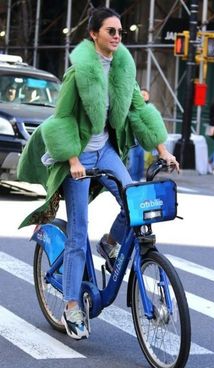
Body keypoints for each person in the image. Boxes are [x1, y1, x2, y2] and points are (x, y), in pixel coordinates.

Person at [17, 7, 179, 340]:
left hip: (104, 150)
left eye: (120, 31)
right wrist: (73, 160)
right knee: (78, 234)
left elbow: (138, 110)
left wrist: (162, 150)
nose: (118, 36)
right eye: (111, 31)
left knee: (133, 196)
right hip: (77, 152)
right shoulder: (79, 72)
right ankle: (73, 304)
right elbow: (61, 119)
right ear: (94, 34)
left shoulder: (123, 69)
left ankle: (110, 244)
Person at [127, 88, 150, 181]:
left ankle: (137, 180)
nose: (144, 96)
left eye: (145, 94)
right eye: (142, 94)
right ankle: (131, 181)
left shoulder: (148, 108)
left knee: (140, 163)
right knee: (133, 163)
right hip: (133, 139)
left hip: (141, 140)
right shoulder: (134, 106)